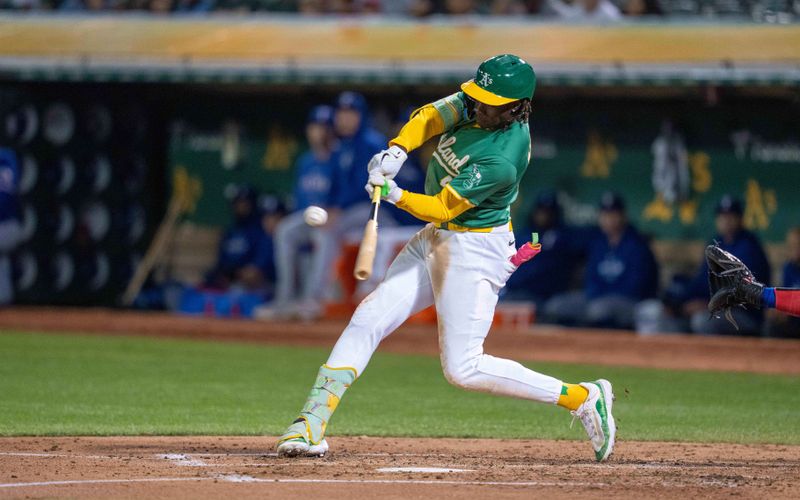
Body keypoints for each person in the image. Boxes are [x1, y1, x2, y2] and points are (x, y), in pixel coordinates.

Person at [275, 54, 616, 463]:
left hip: (475, 251)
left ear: (517, 107)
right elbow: (431, 116)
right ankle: (311, 421)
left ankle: (582, 397)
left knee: (463, 368)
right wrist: (398, 151)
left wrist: (394, 193)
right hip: (436, 239)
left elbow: (442, 206)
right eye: (478, 96)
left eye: (491, 102)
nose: (478, 106)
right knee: (369, 316)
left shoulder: (503, 158)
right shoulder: (479, 103)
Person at [257, 105, 338, 320]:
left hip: (333, 219)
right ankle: (284, 299)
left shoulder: (340, 158)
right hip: (308, 217)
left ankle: (311, 301)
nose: (319, 132)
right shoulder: (306, 161)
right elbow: (300, 199)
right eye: (315, 126)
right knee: (284, 230)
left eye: (324, 127)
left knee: (322, 237)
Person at [543, 192, 658, 329]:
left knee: (598, 310)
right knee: (555, 305)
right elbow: (591, 279)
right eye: (605, 215)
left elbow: (635, 287)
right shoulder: (598, 243)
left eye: (613, 214)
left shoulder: (637, 245)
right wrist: (596, 294)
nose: (608, 219)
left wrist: (602, 295)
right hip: (596, 298)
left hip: (629, 301)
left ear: (623, 216)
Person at [502, 190, 580, 310]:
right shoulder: (526, 234)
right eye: (541, 211)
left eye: (549, 212)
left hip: (545, 296)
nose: (544, 215)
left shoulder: (563, 237)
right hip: (517, 291)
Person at [204, 185, 268, 291]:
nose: (240, 207)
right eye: (237, 203)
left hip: (252, 288)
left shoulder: (261, 232)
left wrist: (236, 275)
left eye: (244, 203)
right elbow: (221, 264)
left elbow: (256, 272)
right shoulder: (230, 232)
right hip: (227, 284)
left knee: (237, 290)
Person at [765, 227, 800, 337]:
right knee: (771, 325)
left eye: (797, 245)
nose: (793, 249)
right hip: (792, 320)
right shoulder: (788, 267)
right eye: (791, 245)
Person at [0, 148, 21, 305]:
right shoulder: (9, 157)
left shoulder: (6, 158)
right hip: (11, 226)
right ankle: (5, 302)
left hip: (6, 225)